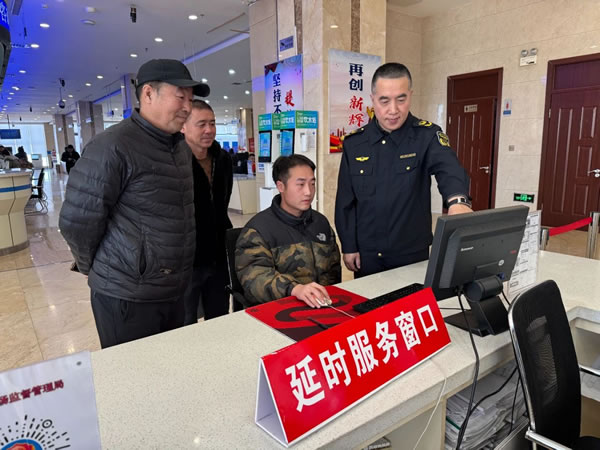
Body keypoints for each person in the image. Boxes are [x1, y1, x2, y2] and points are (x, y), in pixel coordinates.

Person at [59, 58, 209, 348]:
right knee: (131, 373)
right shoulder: (112, 146)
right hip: (126, 296)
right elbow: (76, 222)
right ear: (148, 93)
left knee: (169, 367)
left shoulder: (179, 148)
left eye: (190, 100)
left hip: (172, 290)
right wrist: (96, 267)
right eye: (180, 97)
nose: (187, 107)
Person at [335, 62, 472, 278]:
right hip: (367, 255)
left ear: (410, 96)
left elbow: (448, 168)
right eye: (384, 101)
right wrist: (349, 245)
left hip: (410, 254)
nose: (393, 110)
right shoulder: (355, 143)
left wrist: (458, 202)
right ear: (373, 99)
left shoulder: (426, 136)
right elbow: (346, 201)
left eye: (401, 99)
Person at [236, 155, 341, 307]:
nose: (308, 191)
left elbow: (334, 272)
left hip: (321, 306)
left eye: (312, 184)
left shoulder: (321, 223)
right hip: (278, 309)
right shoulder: (258, 230)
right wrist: (294, 289)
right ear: (281, 186)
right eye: (300, 184)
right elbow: (254, 280)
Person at [180, 100, 233, 324]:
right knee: (185, 321)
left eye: (212, 123)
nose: (209, 130)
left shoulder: (223, 159)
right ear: (183, 126)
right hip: (186, 259)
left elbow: (223, 202)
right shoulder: (173, 161)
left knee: (219, 317)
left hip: (219, 253)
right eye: (201, 124)